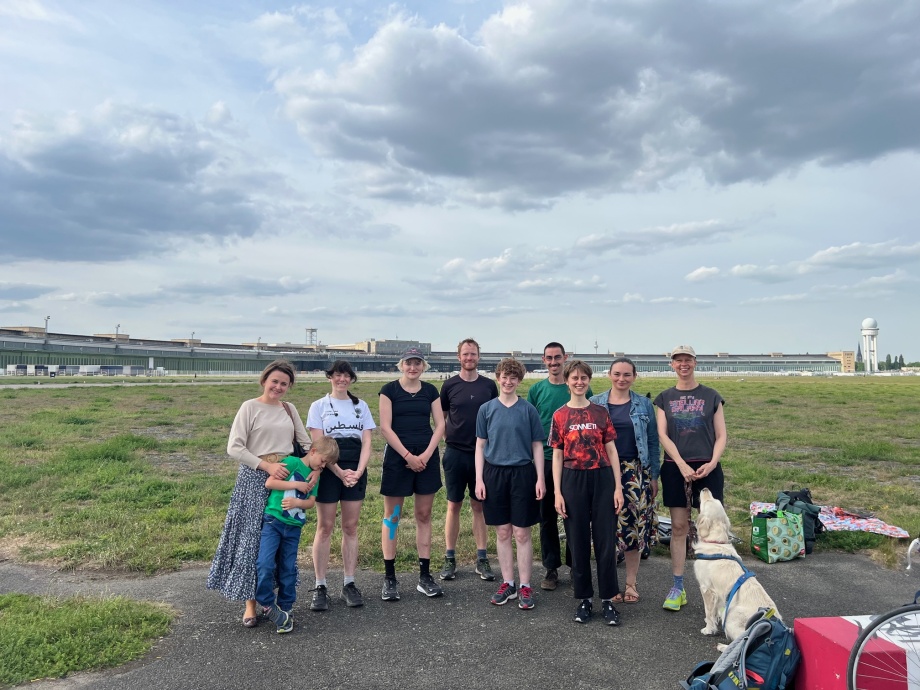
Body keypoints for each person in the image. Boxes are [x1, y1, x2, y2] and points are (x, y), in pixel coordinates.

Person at [207, 359, 316, 628]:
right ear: (264, 380)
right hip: (255, 477)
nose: (278, 387)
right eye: (274, 381)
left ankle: (279, 602)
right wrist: (267, 466)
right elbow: (234, 447)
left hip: (287, 476)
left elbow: (306, 444)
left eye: (284, 384)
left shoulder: (289, 409)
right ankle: (251, 605)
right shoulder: (249, 407)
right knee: (252, 540)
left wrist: (317, 470)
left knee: (278, 541)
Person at [550, 360, 624, 626]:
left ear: (589, 380)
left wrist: (618, 487)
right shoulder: (560, 415)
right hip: (573, 480)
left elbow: (612, 450)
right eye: (574, 378)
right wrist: (557, 492)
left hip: (602, 477)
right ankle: (584, 599)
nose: (579, 382)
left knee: (605, 541)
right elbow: (557, 455)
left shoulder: (600, 412)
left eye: (583, 378)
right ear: (567, 381)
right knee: (577, 540)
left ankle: (608, 599)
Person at [653, 345, 727, 612]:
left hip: (707, 467)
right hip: (675, 467)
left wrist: (712, 463)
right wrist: (682, 464)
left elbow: (721, 435)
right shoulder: (664, 398)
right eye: (678, 360)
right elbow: (662, 435)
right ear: (672, 365)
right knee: (678, 527)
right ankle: (678, 586)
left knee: (712, 528)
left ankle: (719, 585)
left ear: (695, 362)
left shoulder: (711, 396)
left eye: (688, 360)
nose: (683, 364)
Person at [306, 360, 377, 611]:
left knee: (350, 527)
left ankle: (349, 582)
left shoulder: (361, 406)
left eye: (346, 376)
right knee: (325, 527)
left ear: (351, 379)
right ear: (330, 377)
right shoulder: (318, 406)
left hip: (354, 469)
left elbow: (367, 442)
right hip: (328, 469)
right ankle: (320, 585)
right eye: (337, 375)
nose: (342, 379)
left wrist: (358, 471)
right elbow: (319, 446)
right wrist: (338, 472)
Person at [474, 358, 545, 609]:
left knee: (522, 532)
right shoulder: (486, 409)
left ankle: (525, 585)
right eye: (504, 377)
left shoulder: (528, 410)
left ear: (519, 381)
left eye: (513, 377)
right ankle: (508, 583)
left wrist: (540, 478)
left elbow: (537, 445)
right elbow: (480, 445)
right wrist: (479, 479)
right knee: (503, 531)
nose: (508, 381)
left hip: (522, 473)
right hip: (494, 474)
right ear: (498, 378)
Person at [589, 357, 660, 605]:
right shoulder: (595, 402)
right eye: (617, 374)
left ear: (634, 377)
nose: (622, 379)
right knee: (605, 529)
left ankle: (631, 583)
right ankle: (608, 584)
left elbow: (652, 441)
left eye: (627, 374)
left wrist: (653, 475)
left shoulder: (643, 404)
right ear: (609, 375)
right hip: (602, 470)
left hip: (635, 473)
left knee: (633, 529)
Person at [378, 347, 446, 601]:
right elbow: (385, 428)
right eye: (409, 363)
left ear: (423, 366)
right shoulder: (389, 390)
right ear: (401, 365)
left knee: (424, 515)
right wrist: (407, 456)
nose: (413, 367)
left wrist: (426, 455)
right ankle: (390, 577)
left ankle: (424, 576)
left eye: (417, 363)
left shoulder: (430, 391)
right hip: (399, 458)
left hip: (426, 457)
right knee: (392, 517)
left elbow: (440, 424)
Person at [256, 437, 339, 633]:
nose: (323, 466)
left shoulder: (314, 476)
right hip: (273, 522)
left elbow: (310, 502)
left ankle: (286, 608)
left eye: (326, 464)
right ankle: (267, 604)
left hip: (293, 528)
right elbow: (270, 482)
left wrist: (298, 503)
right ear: (313, 451)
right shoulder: (292, 462)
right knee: (265, 564)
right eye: (323, 461)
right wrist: (296, 486)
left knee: (288, 568)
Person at [527, 341, 592, 591]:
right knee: (547, 517)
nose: (553, 362)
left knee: (573, 516)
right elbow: (531, 426)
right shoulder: (536, 390)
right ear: (544, 360)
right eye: (549, 358)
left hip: (573, 463)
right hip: (545, 460)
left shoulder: (577, 386)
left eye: (557, 357)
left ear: (565, 358)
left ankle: (576, 566)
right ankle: (551, 567)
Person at [438, 338, 498, 582]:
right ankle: (449, 557)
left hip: (482, 455)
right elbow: (441, 418)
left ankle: (482, 558)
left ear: (478, 357)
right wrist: (448, 439)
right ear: (459, 357)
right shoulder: (449, 385)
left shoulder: (489, 386)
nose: (469, 358)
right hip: (455, 453)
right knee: (453, 505)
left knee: (478, 505)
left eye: (473, 354)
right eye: (465, 354)